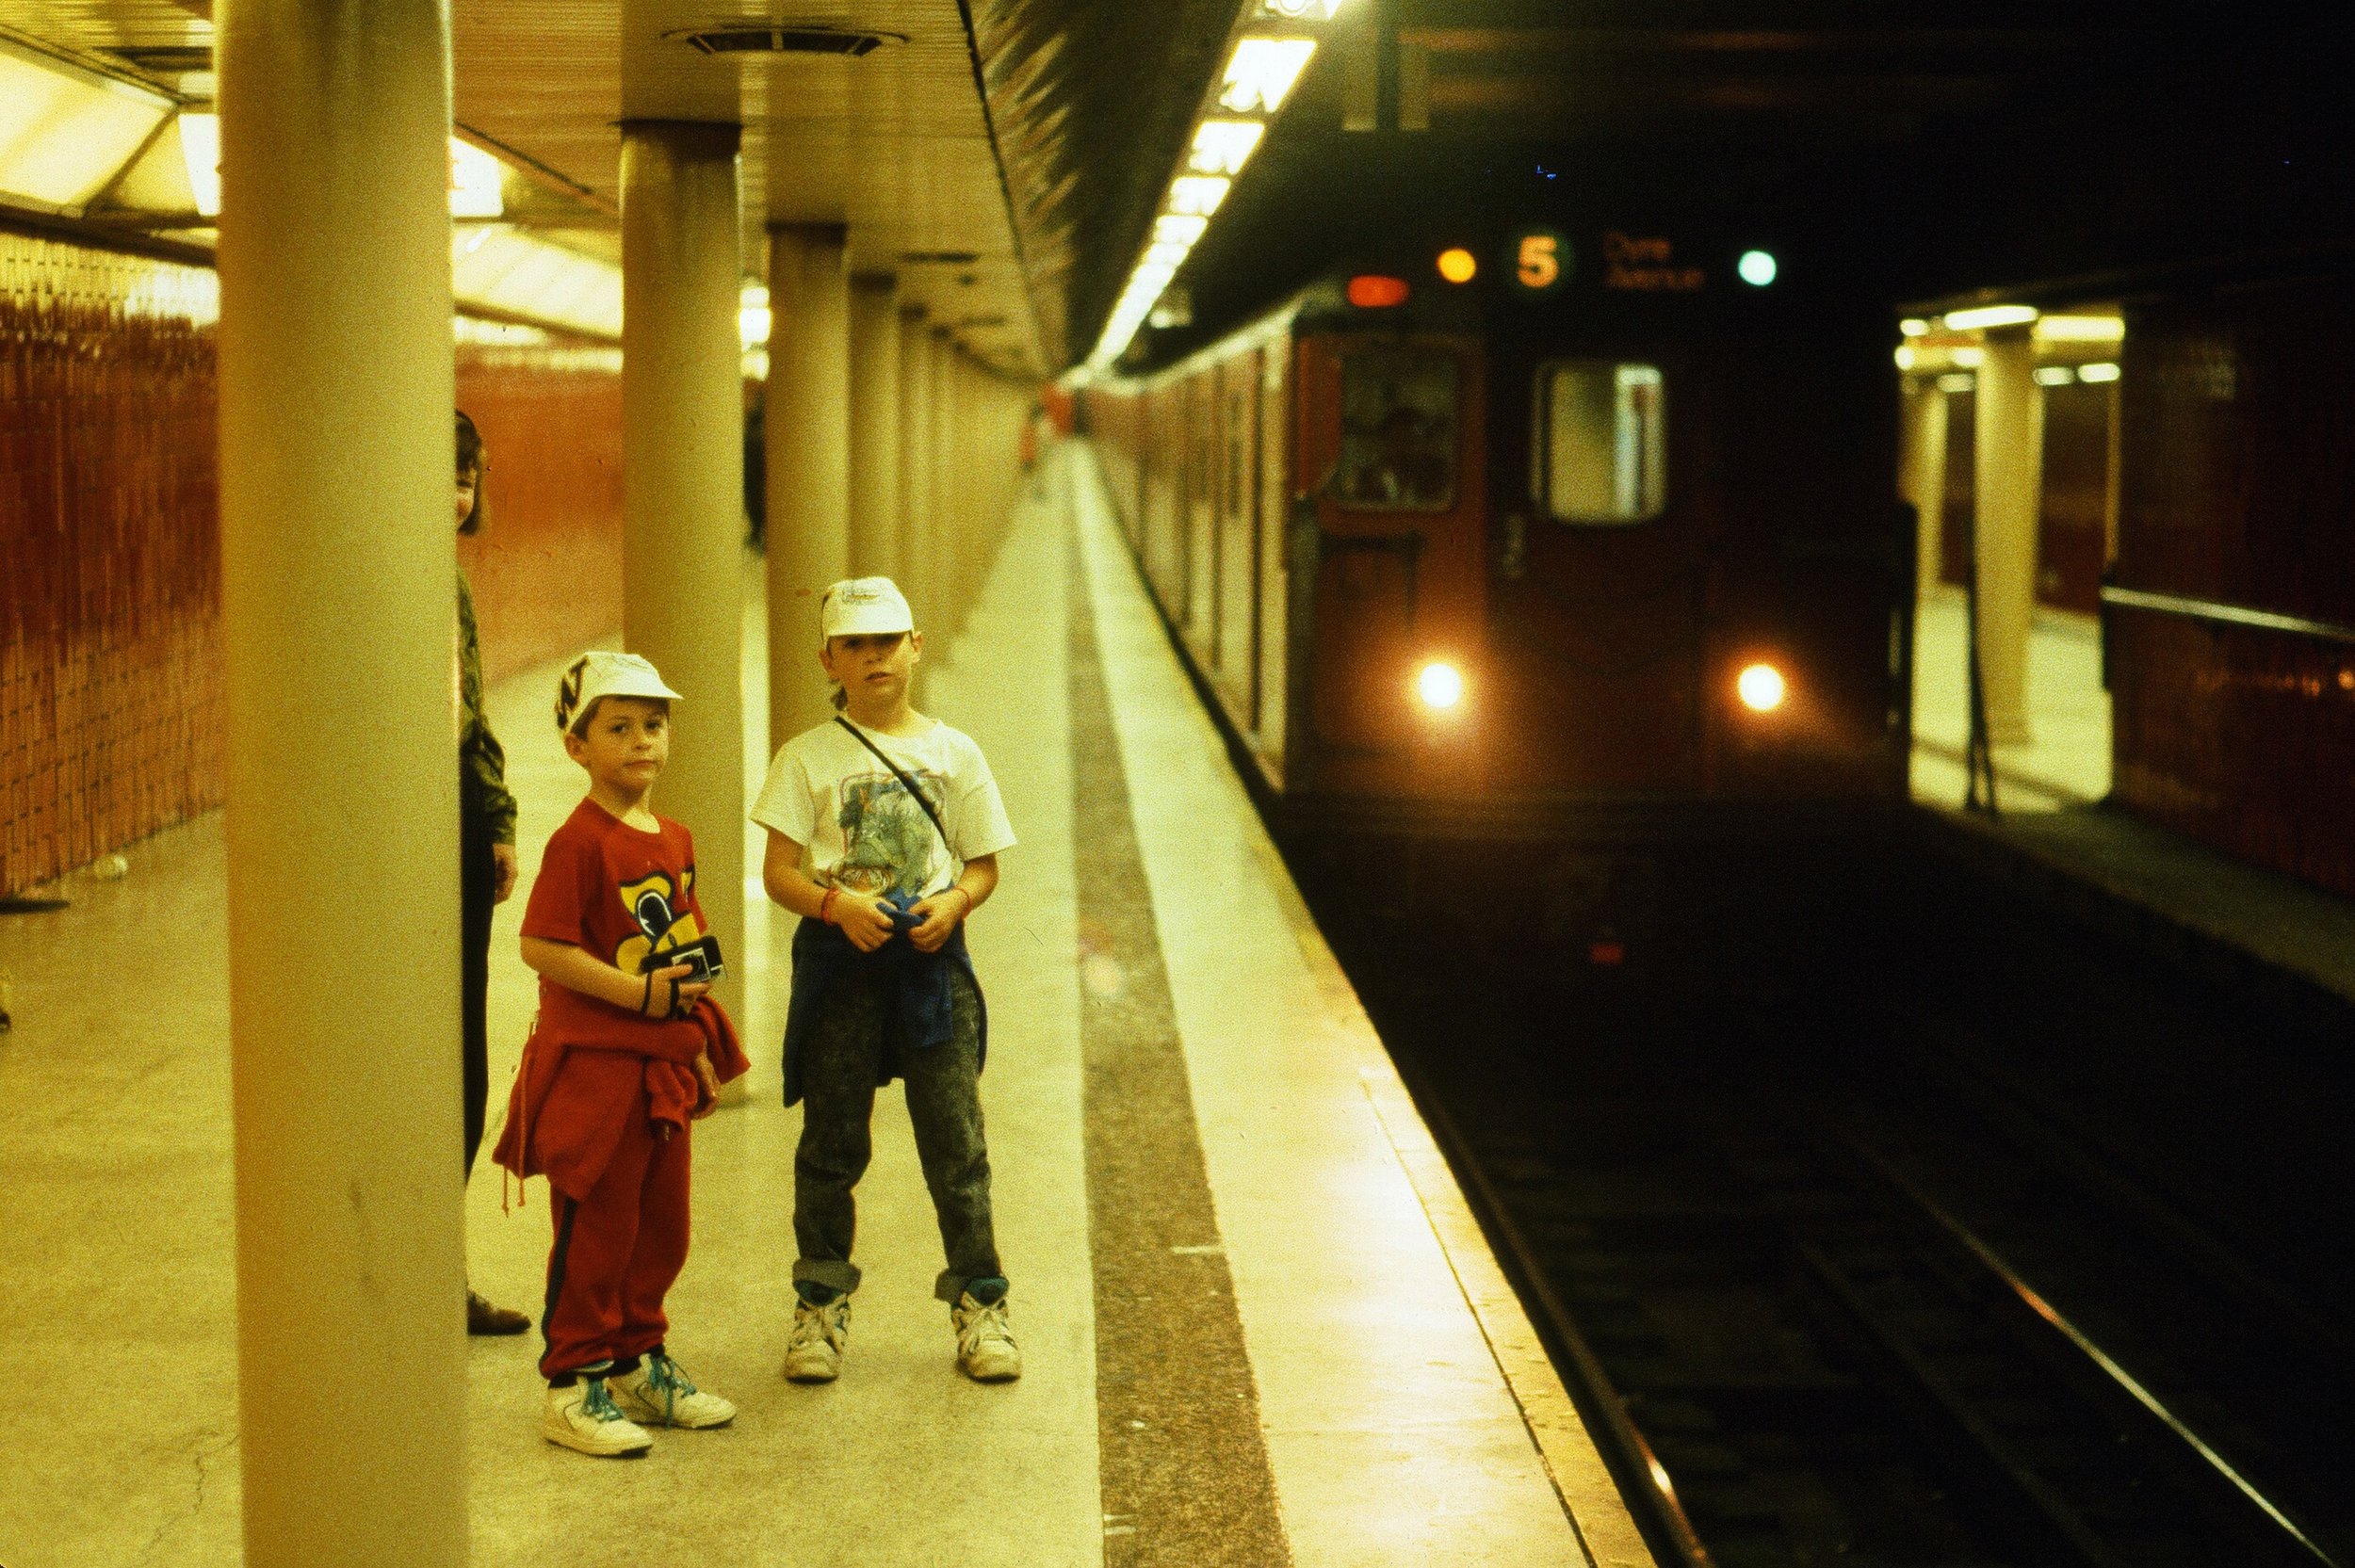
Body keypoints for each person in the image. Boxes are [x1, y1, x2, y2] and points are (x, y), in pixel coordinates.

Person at [752, 576, 1021, 1384]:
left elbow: (982, 865)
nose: (874, 659)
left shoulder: (953, 752)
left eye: (888, 641)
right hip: (843, 970)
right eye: (855, 645)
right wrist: (834, 905)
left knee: (956, 1140)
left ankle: (981, 1303)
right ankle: (820, 1305)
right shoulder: (806, 756)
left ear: (916, 645)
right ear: (827, 658)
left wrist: (954, 904)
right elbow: (778, 873)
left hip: (932, 968)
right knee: (832, 1141)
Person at [493, 650, 750, 1457]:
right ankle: (573, 1384)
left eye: (653, 724)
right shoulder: (579, 842)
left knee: (659, 1227)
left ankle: (639, 1360)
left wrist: (696, 1028)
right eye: (618, 727)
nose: (642, 740)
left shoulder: (672, 836)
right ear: (577, 746)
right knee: (597, 1229)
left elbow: (680, 936)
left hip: (660, 1072)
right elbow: (541, 944)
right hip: (599, 1070)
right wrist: (638, 997)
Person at [454, 410, 530, 1336]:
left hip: (456, 827)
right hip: (399, 839)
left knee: (459, 1061)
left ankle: (438, 1264)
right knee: (423, 1058)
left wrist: (497, 816)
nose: (454, 495)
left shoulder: (452, 585)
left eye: (464, 476)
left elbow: (468, 711)